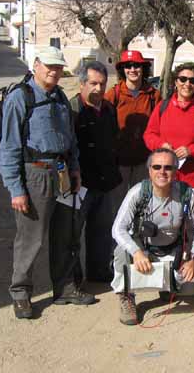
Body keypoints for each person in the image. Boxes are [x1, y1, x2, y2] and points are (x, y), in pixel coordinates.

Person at [0, 46, 94, 320]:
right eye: (49, 65)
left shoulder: (60, 97)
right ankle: (21, 293)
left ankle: (64, 288)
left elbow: (70, 139)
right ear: (36, 64)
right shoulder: (20, 98)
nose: (54, 70)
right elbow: (9, 147)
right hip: (35, 174)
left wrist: (74, 169)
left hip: (62, 172)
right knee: (31, 238)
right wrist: (16, 189)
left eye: (59, 66)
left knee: (65, 234)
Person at [111, 148, 194, 325]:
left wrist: (193, 258)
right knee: (120, 251)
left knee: (191, 287)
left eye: (168, 167)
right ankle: (126, 296)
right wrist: (136, 252)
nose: (162, 172)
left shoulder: (186, 194)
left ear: (176, 171)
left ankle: (165, 285)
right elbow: (118, 229)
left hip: (172, 249)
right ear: (149, 170)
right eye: (157, 167)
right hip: (144, 250)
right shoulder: (138, 193)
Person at [69, 61, 122, 282]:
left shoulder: (109, 109)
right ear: (82, 84)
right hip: (80, 184)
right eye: (93, 83)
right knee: (72, 234)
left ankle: (98, 272)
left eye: (102, 83)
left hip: (104, 181)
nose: (98, 89)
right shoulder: (71, 109)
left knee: (101, 232)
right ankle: (73, 281)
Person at [143, 62, 194, 208]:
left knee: (191, 225)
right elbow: (149, 134)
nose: (187, 84)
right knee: (164, 223)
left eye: (192, 80)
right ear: (175, 82)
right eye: (183, 79)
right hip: (164, 176)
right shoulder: (163, 107)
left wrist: (191, 151)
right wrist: (161, 146)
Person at [105, 50, 161, 205]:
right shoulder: (114, 94)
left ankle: (139, 230)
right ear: (123, 69)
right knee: (117, 203)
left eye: (136, 65)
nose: (132, 70)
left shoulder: (153, 95)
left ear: (143, 68)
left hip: (143, 161)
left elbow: (160, 125)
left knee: (142, 202)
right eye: (128, 66)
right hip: (119, 162)